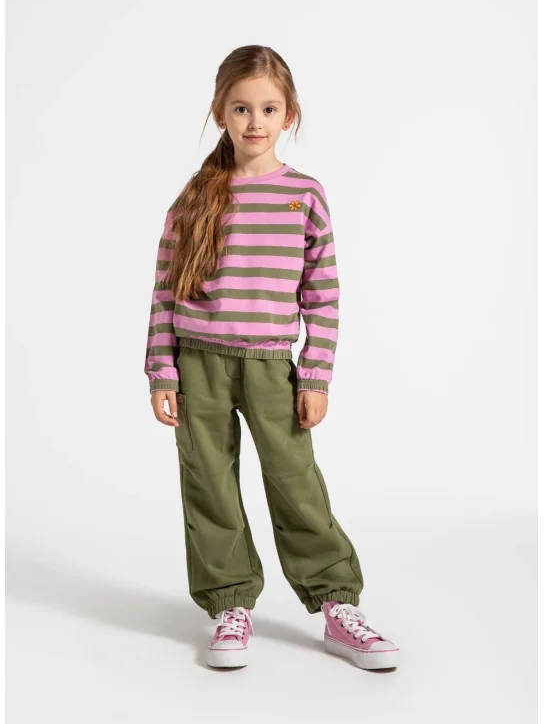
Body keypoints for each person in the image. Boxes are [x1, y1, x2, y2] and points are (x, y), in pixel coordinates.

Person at [144, 45, 399, 671]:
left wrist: (315, 375)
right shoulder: (195, 196)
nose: (254, 121)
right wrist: (161, 370)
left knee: (295, 482)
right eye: (240, 108)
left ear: (289, 114)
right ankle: (229, 603)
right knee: (208, 484)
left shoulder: (303, 195)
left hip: (270, 365)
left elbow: (323, 293)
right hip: (198, 361)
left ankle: (337, 603)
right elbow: (165, 288)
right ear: (219, 113)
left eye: (268, 108)